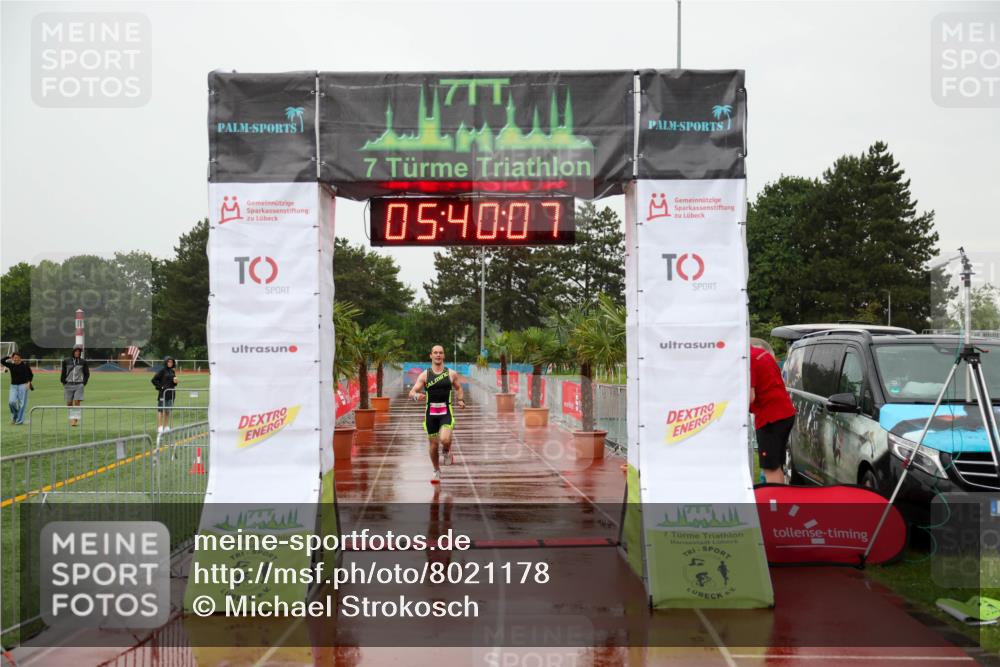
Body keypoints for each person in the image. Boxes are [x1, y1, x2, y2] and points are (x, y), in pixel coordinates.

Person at [408, 345, 466, 484]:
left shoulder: (451, 373)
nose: (438, 355)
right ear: (431, 355)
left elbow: (459, 388)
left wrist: (460, 400)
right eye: (435, 353)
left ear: (444, 355)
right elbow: (411, 392)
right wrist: (416, 396)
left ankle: (446, 450)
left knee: (445, 439)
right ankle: (436, 470)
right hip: (431, 414)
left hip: (446, 412)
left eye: (440, 353)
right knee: (433, 445)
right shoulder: (425, 375)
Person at [750, 344, 796, 484]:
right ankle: (780, 496)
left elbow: (750, 396)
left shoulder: (748, 360)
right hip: (784, 413)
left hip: (770, 418)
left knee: (770, 468)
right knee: (776, 465)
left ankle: (775, 497)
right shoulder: (761, 353)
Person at [60, 345, 89, 427]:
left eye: (79, 351)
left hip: (79, 385)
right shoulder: (66, 361)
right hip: (68, 384)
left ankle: (75, 419)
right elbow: (63, 372)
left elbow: (87, 373)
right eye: (76, 351)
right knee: (69, 403)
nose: (78, 353)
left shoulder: (83, 362)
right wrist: (63, 381)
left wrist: (83, 383)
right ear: (73, 351)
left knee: (77, 401)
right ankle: (72, 417)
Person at [1, 352, 34, 425]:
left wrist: (29, 383)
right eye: (14, 358)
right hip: (13, 386)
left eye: (17, 357)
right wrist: (8, 356)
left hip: (23, 385)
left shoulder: (25, 366)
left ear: (20, 358)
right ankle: (15, 415)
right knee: (11, 402)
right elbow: (2, 361)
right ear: (12, 358)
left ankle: (19, 421)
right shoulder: (11, 365)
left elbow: (30, 375)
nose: (15, 359)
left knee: (22, 404)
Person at [152, 356, 179, 437]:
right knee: (161, 410)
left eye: (171, 362)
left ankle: (166, 426)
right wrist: (161, 387)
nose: (170, 363)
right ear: (166, 362)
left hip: (171, 393)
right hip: (163, 393)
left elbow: (174, 383)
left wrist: (175, 382)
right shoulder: (162, 371)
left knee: (168, 410)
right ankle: (160, 427)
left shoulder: (172, 371)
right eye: (168, 362)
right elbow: (154, 380)